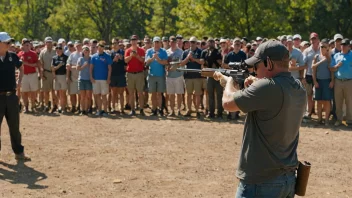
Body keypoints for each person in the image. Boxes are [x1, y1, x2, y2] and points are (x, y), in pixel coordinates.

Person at [215, 39, 306, 197]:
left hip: (261, 180)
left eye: (257, 65)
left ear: (269, 63)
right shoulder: (298, 86)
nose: (254, 70)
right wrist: (256, 83)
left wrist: (229, 82)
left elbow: (228, 104)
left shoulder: (267, 87)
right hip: (287, 177)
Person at [0, 32, 31, 161]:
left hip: (12, 97)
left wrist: (19, 81)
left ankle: (19, 152)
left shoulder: (12, 56)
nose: (9, 45)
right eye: (7, 42)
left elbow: (21, 67)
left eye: (10, 42)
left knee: (15, 126)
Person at [330, 38, 352, 126]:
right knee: (338, 101)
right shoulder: (336, 56)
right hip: (338, 81)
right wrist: (336, 66)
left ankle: (349, 120)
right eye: (341, 45)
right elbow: (331, 69)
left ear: (348, 46)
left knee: (349, 101)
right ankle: (339, 119)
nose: (342, 46)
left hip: (349, 81)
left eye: (344, 45)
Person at [180, 36, 203, 117]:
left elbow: (202, 62)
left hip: (197, 76)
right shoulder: (185, 52)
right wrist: (188, 58)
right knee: (188, 94)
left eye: (194, 42)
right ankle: (189, 109)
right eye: (191, 42)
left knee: (197, 94)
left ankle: (197, 110)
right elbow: (181, 63)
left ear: (196, 43)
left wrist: (194, 59)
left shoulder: (200, 51)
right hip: (188, 76)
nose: (192, 44)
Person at [312, 39, 334, 126]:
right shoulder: (316, 57)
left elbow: (332, 71)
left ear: (328, 48)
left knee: (327, 101)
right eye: (321, 46)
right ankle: (319, 119)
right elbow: (313, 69)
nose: (322, 48)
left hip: (327, 81)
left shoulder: (330, 58)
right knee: (319, 101)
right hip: (318, 81)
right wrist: (315, 81)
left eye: (324, 47)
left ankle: (327, 120)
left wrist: (332, 81)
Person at [200, 38, 223, 119]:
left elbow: (220, 62)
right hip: (209, 75)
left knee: (219, 95)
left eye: (212, 42)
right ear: (207, 43)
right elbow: (202, 62)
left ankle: (220, 113)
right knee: (210, 95)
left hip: (217, 75)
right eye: (209, 42)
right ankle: (211, 112)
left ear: (214, 43)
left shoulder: (218, 52)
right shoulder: (204, 52)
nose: (211, 43)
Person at [145, 36, 168, 116]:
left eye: (158, 42)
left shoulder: (163, 51)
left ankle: (160, 109)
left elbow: (165, 62)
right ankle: (154, 109)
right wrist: (152, 58)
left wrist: (158, 59)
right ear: (153, 43)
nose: (156, 44)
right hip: (151, 75)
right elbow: (147, 62)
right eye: (155, 42)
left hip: (160, 75)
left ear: (160, 43)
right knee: (153, 94)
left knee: (160, 94)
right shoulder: (149, 51)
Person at [124, 35, 146, 116]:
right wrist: (131, 56)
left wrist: (136, 56)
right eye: (132, 40)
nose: (133, 41)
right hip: (130, 74)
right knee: (131, 93)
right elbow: (125, 61)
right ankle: (132, 110)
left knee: (140, 93)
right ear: (130, 41)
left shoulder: (141, 50)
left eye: (135, 40)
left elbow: (143, 61)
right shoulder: (127, 50)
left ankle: (141, 109)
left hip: (139, 73)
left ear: (137, 41)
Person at [90, 41, 112, 116]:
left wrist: (108, 78)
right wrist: (91, 77)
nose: (100, 48)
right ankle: (99, 110)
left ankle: (105, 111)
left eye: (102, 46)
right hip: (96, 79)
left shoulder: (107, 56)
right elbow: (91, 68)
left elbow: (109, 68)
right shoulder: (93, 56)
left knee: (104, 95)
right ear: (97, 47)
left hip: (104, 79)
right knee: (97, 95)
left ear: (103, 47)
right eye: (99, 46)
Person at [17, 38, 40, 113]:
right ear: (23, 45)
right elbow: (17, 65)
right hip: (23, 75)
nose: (28, 46)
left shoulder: (33, 53)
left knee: (33, 91)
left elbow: (37, 64)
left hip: (32, 74)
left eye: (28, 45)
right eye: (26, 45)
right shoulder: (19, 54)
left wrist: (26, 63)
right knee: (24, 92)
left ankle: (33, 106)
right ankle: (26, 107)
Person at [166, 36, 184, 116]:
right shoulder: (166, 52)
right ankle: (172, 110)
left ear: (176, 42)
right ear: (169, 42)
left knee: (179, 94)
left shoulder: (181, 52)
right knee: (171, 94)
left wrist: (176, 66)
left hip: (178, 75)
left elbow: (182, 62)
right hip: (169, 76)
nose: (172, 43)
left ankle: (179, 110)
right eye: (171, 42)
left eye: (174, 42)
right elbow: (165, 63)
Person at [110, 38, 127, 114]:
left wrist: (120, 59)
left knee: (121, 93)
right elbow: (109, 64)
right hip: (113, 75)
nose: (115, 45)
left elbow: (125, 63)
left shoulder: (123, 52)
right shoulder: (110, 53)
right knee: (113, 93)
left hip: (121, 75)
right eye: (113, 43)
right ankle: (113, 107)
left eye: (116, 43)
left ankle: (121, 108)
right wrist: (114, 60)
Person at [51, 44, 68, 113]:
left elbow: (67, 68)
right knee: (57, 92)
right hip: (56, 76)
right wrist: (57, 67)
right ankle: (59, 107)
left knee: (63, 92)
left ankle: (63, 107)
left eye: (59, 49)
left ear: (62, 50)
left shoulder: (66, 57)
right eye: (57, 49)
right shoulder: (54, 58)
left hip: (63, 76)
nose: (58, 50)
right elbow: (52, 68)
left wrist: (67, 76)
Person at [66, 41, 82, 113]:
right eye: (77, 46)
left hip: (81, 77)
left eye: (79, 46)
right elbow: (68, 65)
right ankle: (73, 106)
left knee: (80, 94)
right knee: (72, 93)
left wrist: (73, 66)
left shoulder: (83, 54)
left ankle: (79, 106)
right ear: (75, 47)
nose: (78, 47)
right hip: (73, 77)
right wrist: (68, 77)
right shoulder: (72, 55)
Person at [77, 46, 92, 115]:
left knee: (88, 96)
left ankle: (87, 109)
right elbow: (78, 68)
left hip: (89, 79)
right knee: (82, 96)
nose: (86, 52)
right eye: (84, 51)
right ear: (83, 52)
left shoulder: (91, 59)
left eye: (87, 50)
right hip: (82, 79)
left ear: (89, 52)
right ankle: (82, 110)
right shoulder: (80, 59)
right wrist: (84, 66)